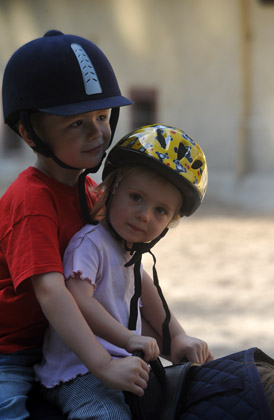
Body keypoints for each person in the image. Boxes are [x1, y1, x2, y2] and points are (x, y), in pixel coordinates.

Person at [0, 29, 147, 420]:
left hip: (65, 344)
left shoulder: (91, 191)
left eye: (101, 116)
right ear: (30, 132)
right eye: (76, 123)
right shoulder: (31, 200)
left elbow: (127, 263)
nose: (98, 132)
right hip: (12, 352)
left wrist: (172, 337)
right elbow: (51, 292)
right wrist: (104, 365)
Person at [34, 124, 214, 420]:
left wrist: (177, 337)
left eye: (160, 211)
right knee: (108, 415)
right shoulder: (90, 244)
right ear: (113, 188)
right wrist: (128, 339)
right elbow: (79, 298)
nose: (144, 215)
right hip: (77, 371)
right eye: (136, 198)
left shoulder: (127, 250)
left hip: (119, 364)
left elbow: (147, 292)